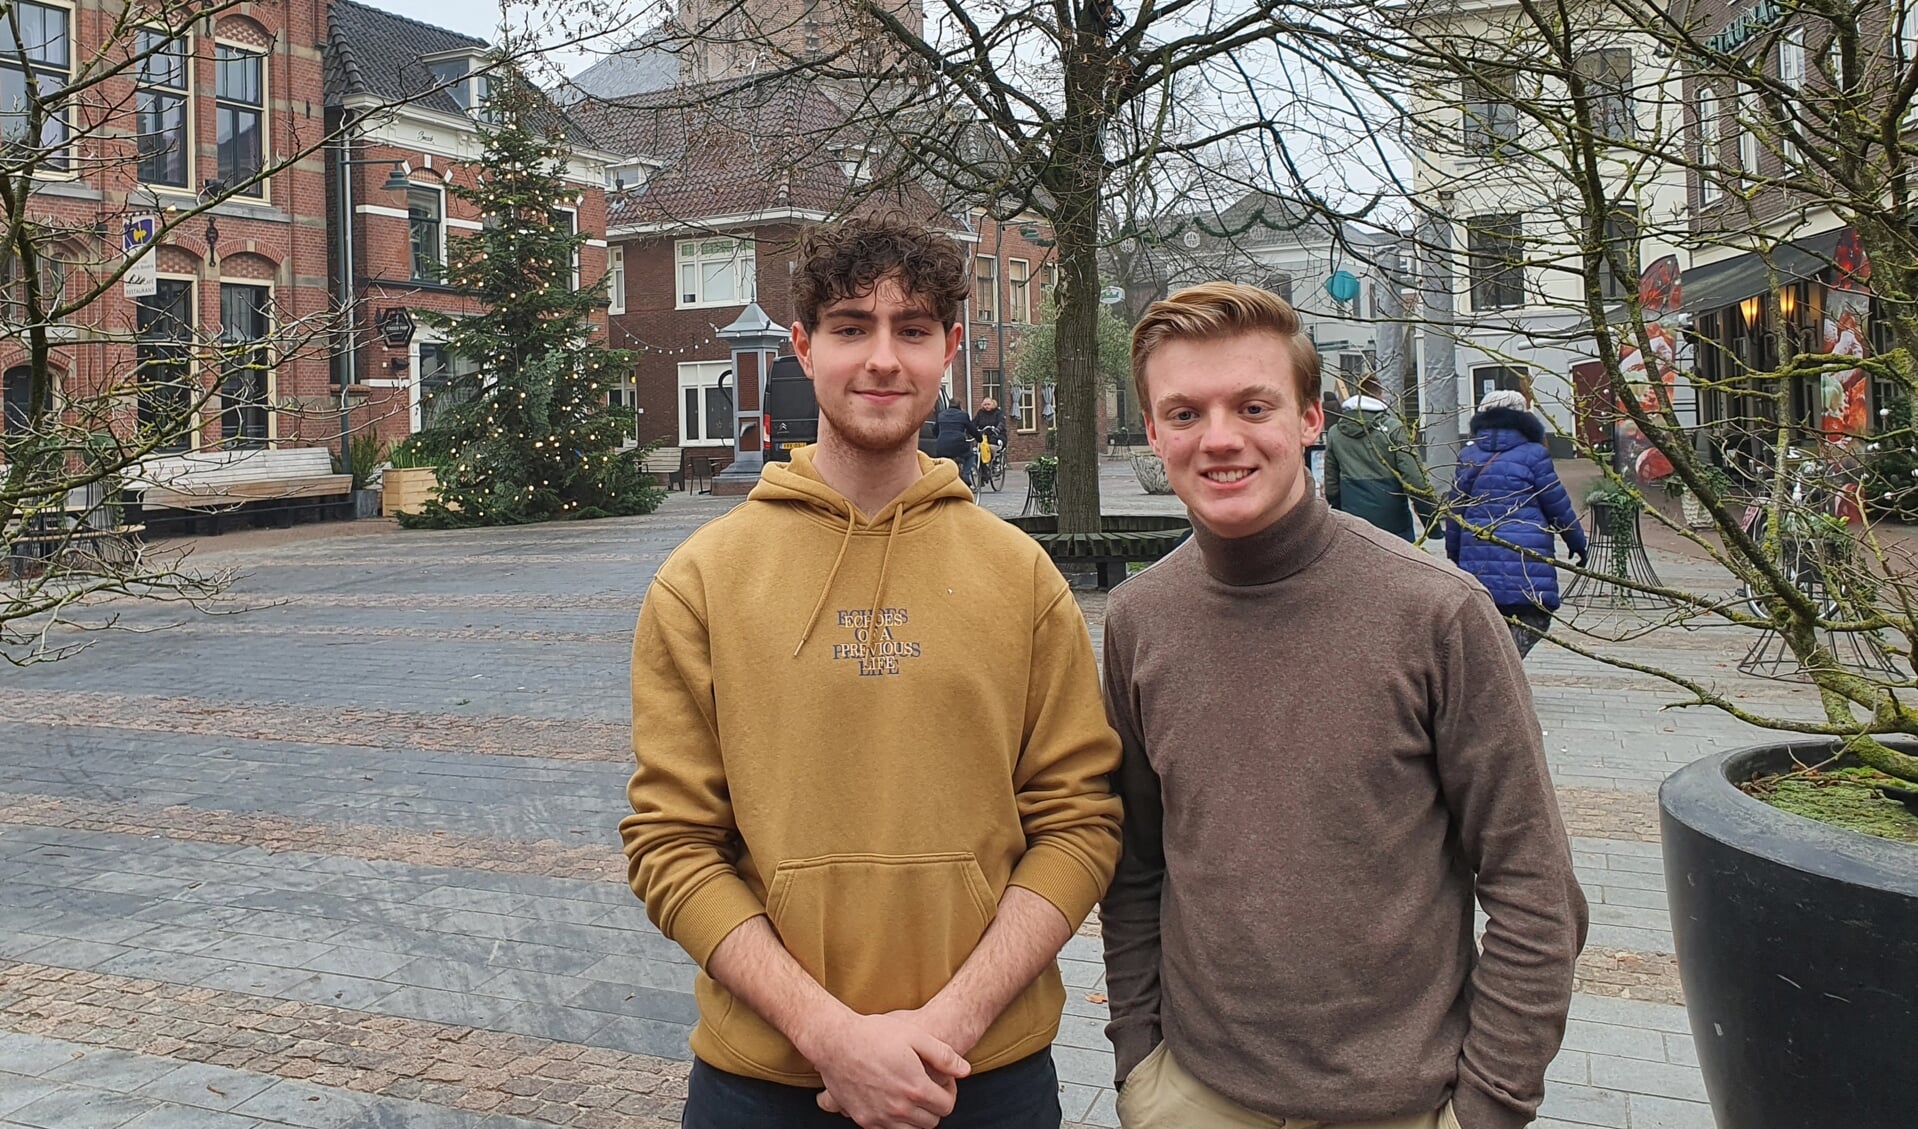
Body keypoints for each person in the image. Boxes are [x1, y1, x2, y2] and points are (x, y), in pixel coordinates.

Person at [621, 217, 1122, 1129]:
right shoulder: (702, 582)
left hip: (985, 1074)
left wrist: (950, 1021)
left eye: (913, 328)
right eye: (853, 327)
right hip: (766, 1083)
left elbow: (1079, 823)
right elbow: (673, 844)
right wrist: (829, 1034)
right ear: (804, 348)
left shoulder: (1023, 581)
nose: (882, 358)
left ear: (950, 350)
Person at [1100, 282, 1588, 1129]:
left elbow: (1534, 885)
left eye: (1253, 405)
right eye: (1185, 413)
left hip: (1401, 1105)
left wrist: (1488, 1108)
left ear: (1311, 417)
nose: (1220, 439)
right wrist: (1140, 1064)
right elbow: (1135, 864)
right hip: (1192, 1097)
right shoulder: (1140, 621)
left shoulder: (1438, 611)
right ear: (1152, 430)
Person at [1447, 389, 1590, 658]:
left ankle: (1490, 679)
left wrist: (1455, 553)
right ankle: (1502, 677)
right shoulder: (1534, 454)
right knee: (1534, 618)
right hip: (1527, 560)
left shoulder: (1469, 455)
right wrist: (1577, 542)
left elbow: (1455, 510)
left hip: (1477, 556)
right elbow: (1556, 504)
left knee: (1488, 625)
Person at [1323, 377, 1435, 540]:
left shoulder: (1335, 432)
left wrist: (1340, 509)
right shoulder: (1394, 428)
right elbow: (1415, 479)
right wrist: (1431, 523)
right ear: (1380, 395)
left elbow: (1331, 482)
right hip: (1393, 519)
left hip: (1353, 520)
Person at [935, 398, 983, 487]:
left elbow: (935, 430)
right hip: (958, 444)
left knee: (943, 460)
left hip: (942, 445)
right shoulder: (963, 415)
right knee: (971, 455)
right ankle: (965, 474)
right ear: (960, 406)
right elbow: (972, 429)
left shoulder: (941, 415)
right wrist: (979, 438)